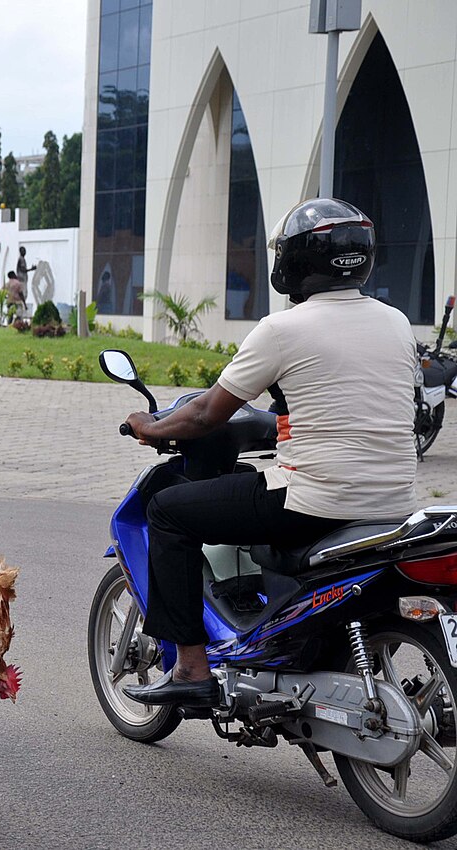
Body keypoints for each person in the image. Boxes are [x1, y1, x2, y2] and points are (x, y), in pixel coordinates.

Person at [120, 198, 417, 707]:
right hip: (394, 504)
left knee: (167, 512)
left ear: (295, 260)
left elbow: (205, 414)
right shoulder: (397, 323)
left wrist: (151, 426)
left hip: (313, 502)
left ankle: (190, 667)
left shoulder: (283, 330)